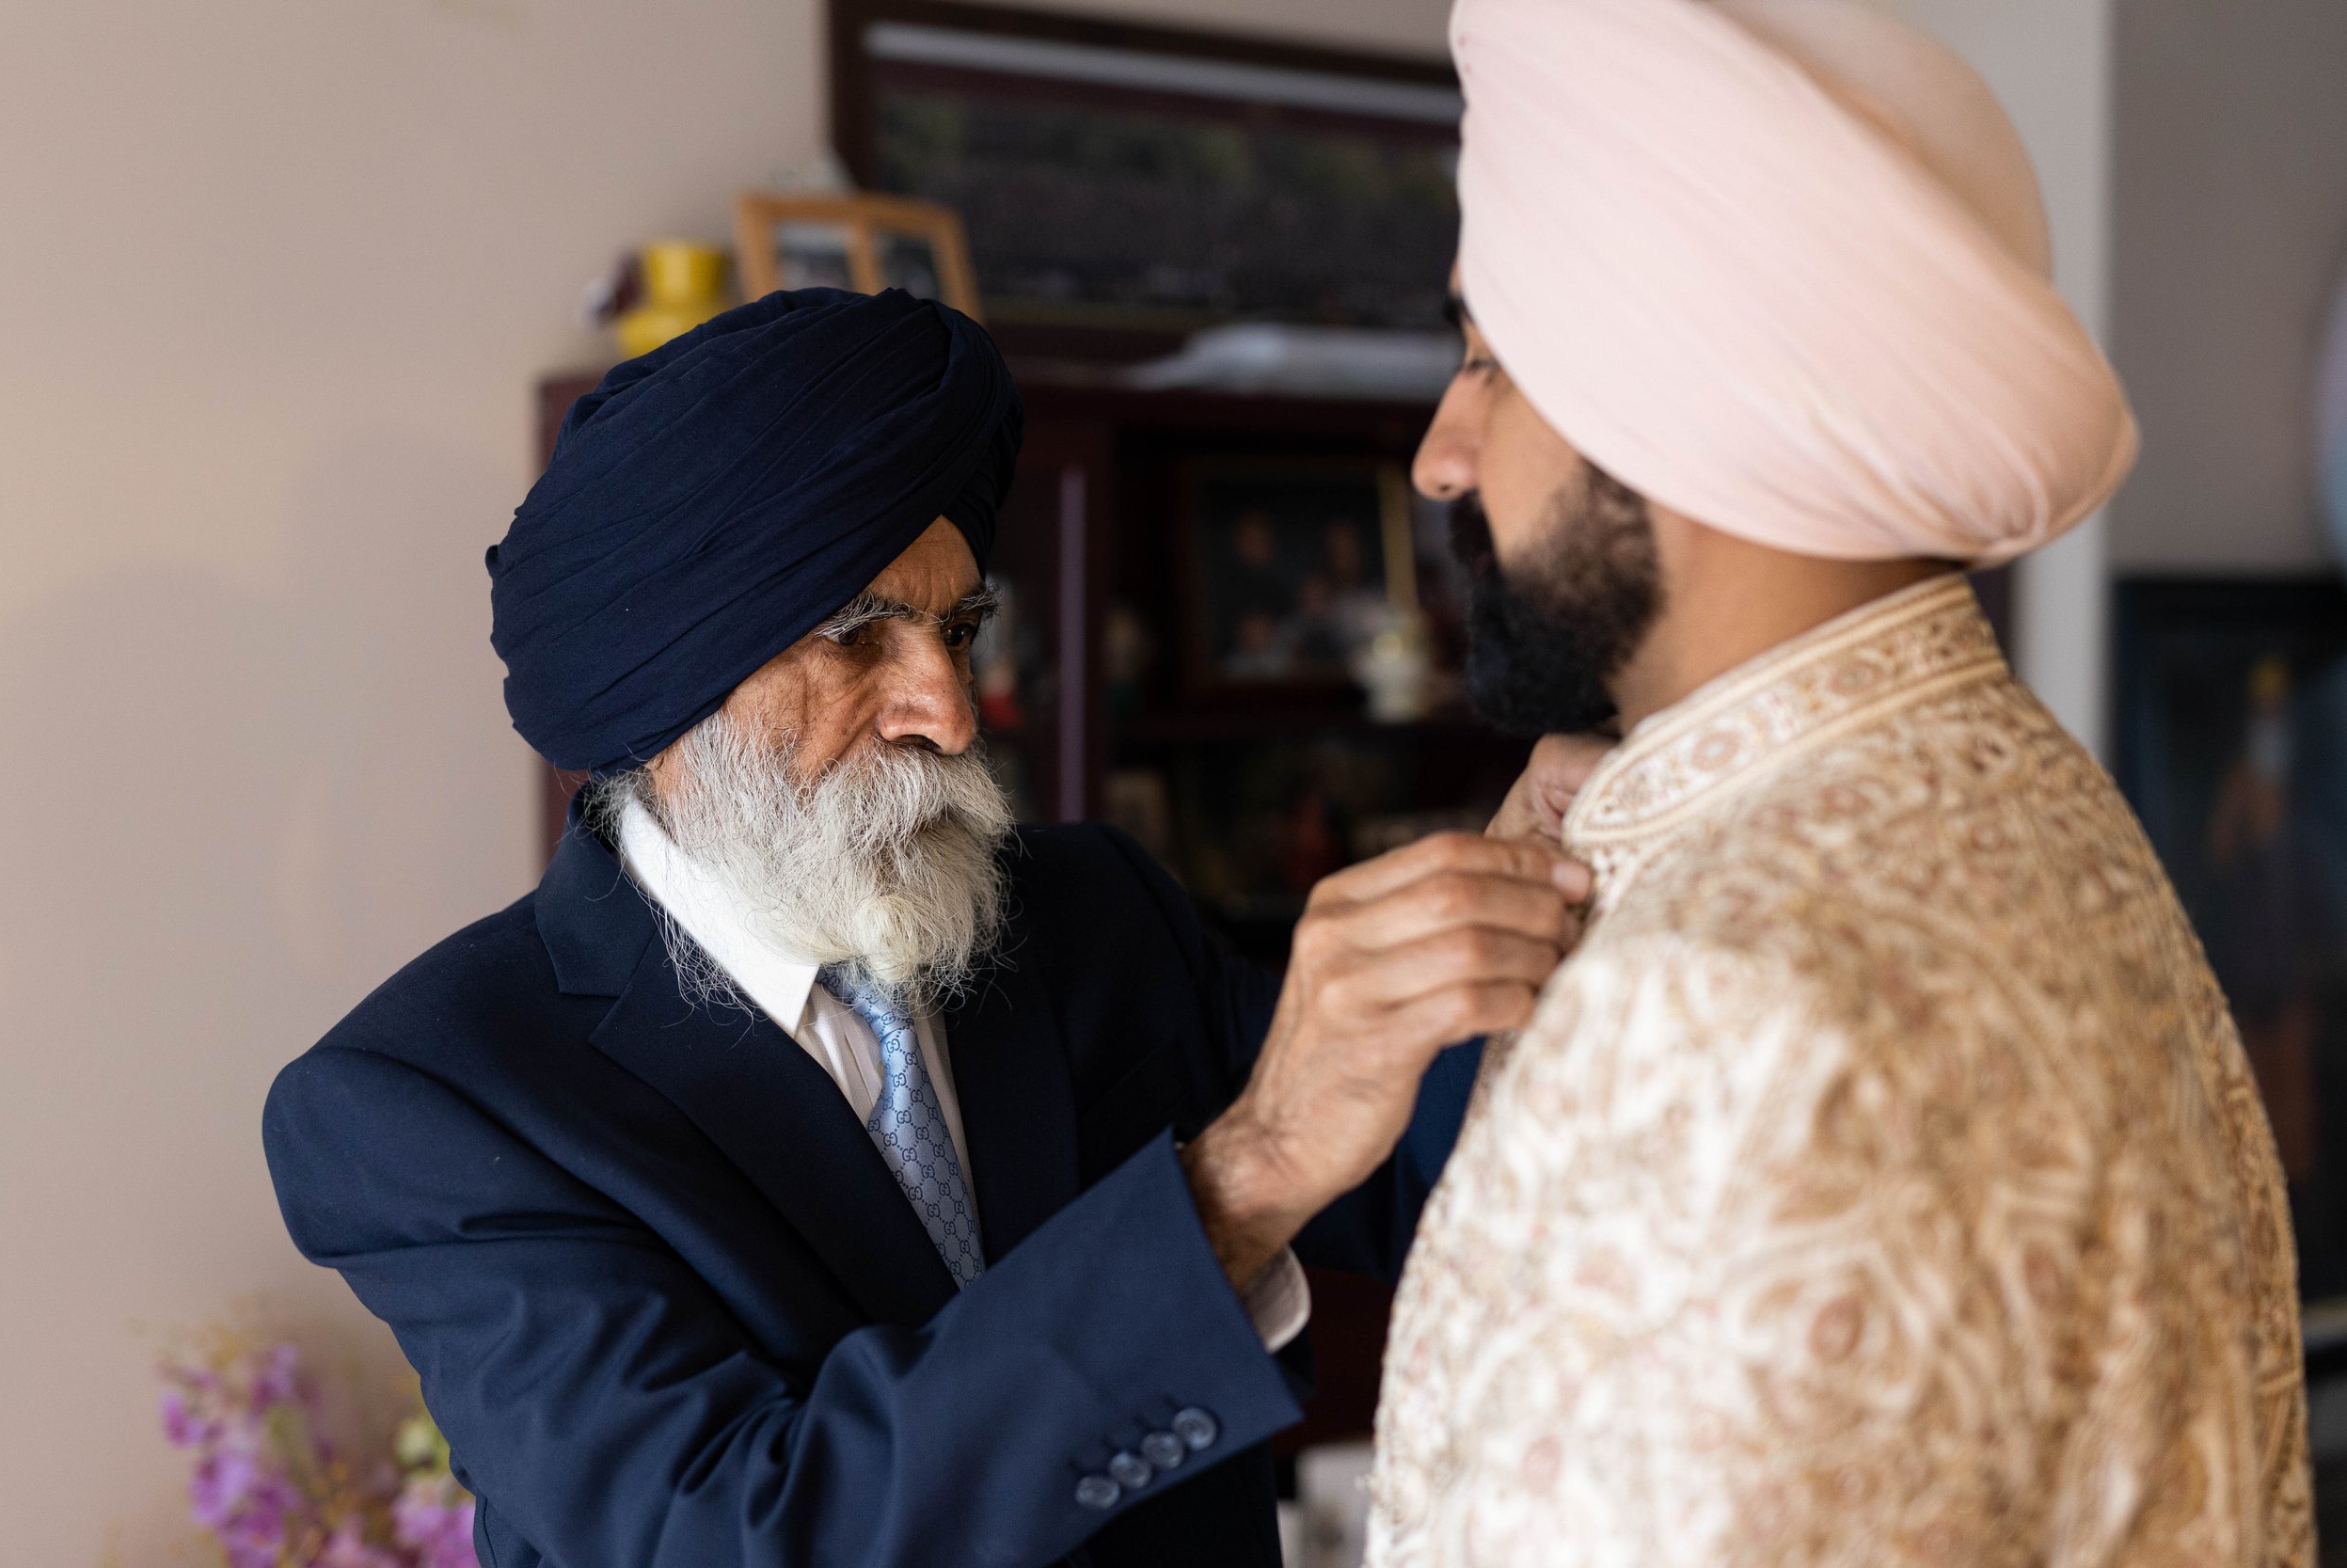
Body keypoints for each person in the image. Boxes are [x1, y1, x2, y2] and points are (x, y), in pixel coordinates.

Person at [262, 285, 1598, 1568]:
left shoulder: (1089, 913)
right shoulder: (435, 1104)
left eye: (960, 632)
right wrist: (1239, 1180)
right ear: (664, 687)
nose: (950, 713)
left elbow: (1451, 1179)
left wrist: (1554, 882)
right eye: (860, 641)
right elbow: (745, 1536)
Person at [1366, 3, 2312, 1565]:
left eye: (1491, 361)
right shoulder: (2042, 805)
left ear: (1672, 391)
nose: (1444, 455)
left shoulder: (1724, 1013)